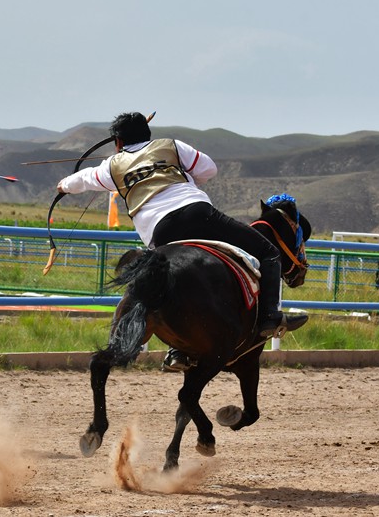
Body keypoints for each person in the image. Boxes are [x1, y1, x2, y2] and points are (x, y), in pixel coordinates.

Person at [56, 112, 307, 371]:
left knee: (166, 283)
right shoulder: (170, 145)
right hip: (199, 213)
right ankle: (270, 318)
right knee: (268, 252)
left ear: (118, 143)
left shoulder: (111, 165)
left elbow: (83, 179)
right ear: (148, 134)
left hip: (162, 232)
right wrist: (184, 177)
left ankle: (178, 350)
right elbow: (209, 168)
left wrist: (63, 185)